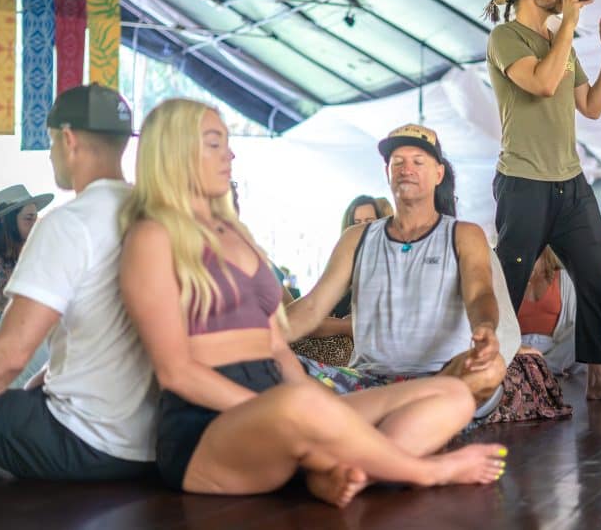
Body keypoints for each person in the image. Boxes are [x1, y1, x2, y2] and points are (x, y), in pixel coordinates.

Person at [120, 99, 506, 504]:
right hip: (208, 428)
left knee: (452, 396)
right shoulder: (152, 237)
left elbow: (275, 345)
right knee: (304, 402)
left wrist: (316, 406)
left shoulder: (238, 235)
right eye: (215, 143)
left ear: (439, 172)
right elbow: (175, 372)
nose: (230, 154)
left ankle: (344, 472)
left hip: (283, 404)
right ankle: (427, 471)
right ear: (176, 150)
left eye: (227, 143)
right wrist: (293, 407)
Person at [0, 84, 158, 481]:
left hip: (82, 441)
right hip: (150, 441)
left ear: (69, 139)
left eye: (52, 142)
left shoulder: (69, 223)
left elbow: (10, 352)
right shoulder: (156, 215)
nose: (51, 153)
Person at [483, 0, 601, 401]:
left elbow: (591, 106)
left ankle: (598, 379)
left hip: (570, 182)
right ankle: (492, 377)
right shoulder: (505, 38)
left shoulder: (560, 41)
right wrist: (569, 24)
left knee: (594, 276)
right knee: (508, 284)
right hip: (523, 181)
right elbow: (543, 82)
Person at [286, 124, 518, 410]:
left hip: (440, 378)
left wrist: (485, 327)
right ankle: (398, 415)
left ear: (438, 174)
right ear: (387, 173)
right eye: (397, 162)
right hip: (366, 381)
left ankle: (368, 418)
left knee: (490, 370)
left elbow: (479, 293)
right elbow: (311, 307)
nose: (406, 169)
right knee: (279, 365)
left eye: (418, 162)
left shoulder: (464, 234)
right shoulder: (357, 239)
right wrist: (258, 336)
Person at [0, 185, 54, 387]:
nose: (35, 224)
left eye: (35, 218)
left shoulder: (22, 259)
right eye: (28, 218)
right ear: (6, 222)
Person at [517, 247, 576, 375]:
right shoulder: (509, 276)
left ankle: (539, 367)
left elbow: (576, 323)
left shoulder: (564, 277)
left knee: (582, 334)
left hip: (555, 350)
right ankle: (538, 369)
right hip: (519, 348)